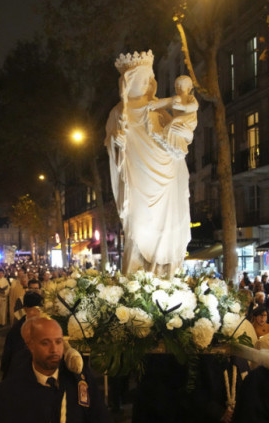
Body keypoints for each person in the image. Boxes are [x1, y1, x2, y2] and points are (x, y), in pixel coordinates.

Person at [105, 50, 191, 276]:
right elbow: (112, 144)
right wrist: (117, 140)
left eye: (149, 79)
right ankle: (138, 274)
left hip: (166, 175)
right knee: (138, 226)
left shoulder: (160, 109)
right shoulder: (118, 112)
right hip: (137, 177)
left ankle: (165, 272)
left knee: (167, 227)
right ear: (127, 83)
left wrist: (182, 133)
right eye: (140, 79)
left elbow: (179, 141)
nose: (147, 83)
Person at [148, 74, 199, 157]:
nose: (178, 87)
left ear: (189, 88)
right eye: (176, 86)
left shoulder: (190, 98)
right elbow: (165, 102)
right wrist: (154, 104)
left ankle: (166, 137)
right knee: (174, 126)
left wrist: (182, 107)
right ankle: (172, 144)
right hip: (179, 122)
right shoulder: (175, 99)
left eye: (180, 85)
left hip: (188, 119)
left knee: (174, 123)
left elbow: (195, 106)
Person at [0, 290, 43, 378]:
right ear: (25, 309)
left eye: (39, 309)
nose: (37, 312)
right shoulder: (16, 331)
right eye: (34, 309)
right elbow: (8, 356)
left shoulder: (45, 326)